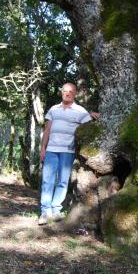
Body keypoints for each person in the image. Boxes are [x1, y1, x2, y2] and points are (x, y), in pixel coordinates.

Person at [38, 83, 100, 225]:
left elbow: (88, 123)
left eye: (70, 91)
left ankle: (56, 209)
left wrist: (93, 115)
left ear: (75, 94)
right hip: (51, 150)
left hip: (68, 151)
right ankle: (45, 212)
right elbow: (47, 130)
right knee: (48, 180)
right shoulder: (54, 109)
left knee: (63, 181)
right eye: (65, 91)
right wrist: (43, 148)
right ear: (61, 93)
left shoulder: (80, 110)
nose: (67, 93)